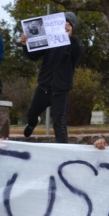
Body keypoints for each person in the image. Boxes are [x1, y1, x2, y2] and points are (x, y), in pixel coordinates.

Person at [20, 12, 83, 142]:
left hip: (60, 91)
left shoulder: (74, 44)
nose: (65, 26)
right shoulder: (48, 42)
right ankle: (32, 124)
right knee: (31, 113)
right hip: (43, 87)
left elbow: (79, 51)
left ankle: (63, 152)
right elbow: (33, 56)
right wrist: (25, 45)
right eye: (62, 23)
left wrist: (70, 37)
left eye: (68, 24)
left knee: (59, 124)